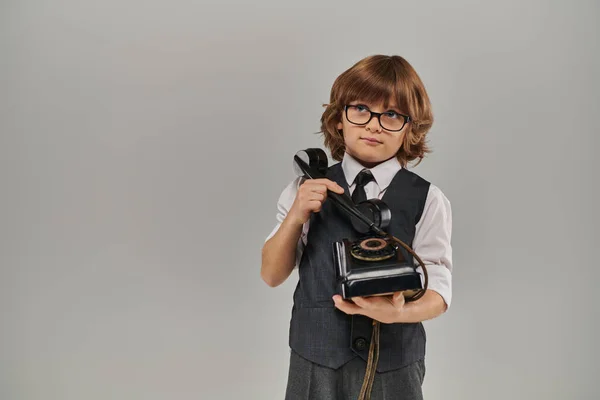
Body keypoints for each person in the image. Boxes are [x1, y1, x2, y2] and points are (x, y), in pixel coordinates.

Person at [261, 54, 453, 400]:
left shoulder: (429, 199)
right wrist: (295, 216)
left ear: (410, 127)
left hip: (394, 365)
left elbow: (439, 290)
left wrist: (399, 313)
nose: (374, 125)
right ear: (338, 120)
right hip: (315, 359)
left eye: (392, 115)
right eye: (361, 109)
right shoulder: (303, 190)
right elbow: (272, 274)